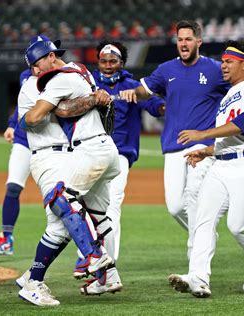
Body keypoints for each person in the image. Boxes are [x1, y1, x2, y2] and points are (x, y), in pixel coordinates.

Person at [168, 40, 244, 298]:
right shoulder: (228, 96)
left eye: (228, 61)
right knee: (202, 220)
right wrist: (206, 149)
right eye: (222, 61)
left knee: (240, 226)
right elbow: (227, 138)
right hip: (222, 164)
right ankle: (198, 278)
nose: (223, 66)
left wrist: (202, 134)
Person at [17, 37, 117, 306]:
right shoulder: (33, 85)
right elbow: (36, 117)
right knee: (60, 217)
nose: (35, 71)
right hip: (47, 157)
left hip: (69, 155)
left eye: (37, 65)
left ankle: (34, 276)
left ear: (50, 57)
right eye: (33, 67)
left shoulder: (63, 75)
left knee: (65, 222)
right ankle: (35, 281)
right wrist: (90, 100)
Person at [119, 20, 231, 261]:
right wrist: (133, 92)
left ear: (198, 42)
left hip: (201, 143)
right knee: (174, 207)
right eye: (180, 39)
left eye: (188, 39)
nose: (183, 43)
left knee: (192, 197)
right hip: (172, 145)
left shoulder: (214, 69)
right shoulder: (166, 70)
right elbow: (144, 90)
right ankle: (204, 233)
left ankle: (197, 259)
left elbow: (237, 91)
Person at [78, 41, 165, 295]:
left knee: (111, 208)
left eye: (113, 61)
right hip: (90, 155)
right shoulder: (87, 84)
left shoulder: (130, 85)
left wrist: (156, 101)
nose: (107, 66)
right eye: (103, 61)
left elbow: (155, 106)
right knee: (81, 207)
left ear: (122, 63)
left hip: (120, 156)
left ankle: (107, 269)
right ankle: (93, 261)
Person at [0, 35, 55, 256]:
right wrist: (11, 124)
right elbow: (21, 105)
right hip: (25, 139)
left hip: (50, 142)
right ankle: (6, 238)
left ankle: (82, 246)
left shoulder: (62, 76)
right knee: (13, 186)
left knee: (60, 195)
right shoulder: (26, 76)